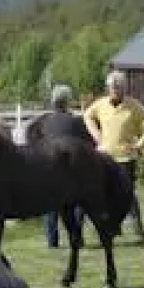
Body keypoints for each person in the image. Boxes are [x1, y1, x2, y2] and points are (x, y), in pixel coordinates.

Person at [83, 71, 144, 242]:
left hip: (126, 157)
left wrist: (141, 143)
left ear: (124, 88)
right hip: (105, 157)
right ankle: (112, 229)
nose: (114, 90)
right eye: (112, 87)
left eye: (118, 87)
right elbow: (87, 116)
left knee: (128, 195)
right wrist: (97, 136)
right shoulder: (100, 105)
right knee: (105, 194)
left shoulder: (133, 106)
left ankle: (138, 231)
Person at [33, 84, 92, 249]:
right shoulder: (76, 122)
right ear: (67, 101)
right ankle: (77, 238)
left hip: (48, 168)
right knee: (79, 203)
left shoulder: (43, 122)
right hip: (71, 170)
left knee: (50, 205)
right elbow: (88, 144)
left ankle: (52, 241)